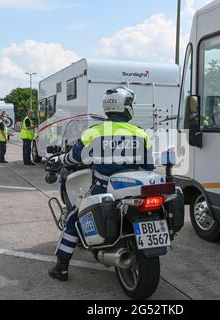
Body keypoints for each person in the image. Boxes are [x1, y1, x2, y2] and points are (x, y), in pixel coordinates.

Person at [48, 87, 155, 282]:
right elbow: (148, 165)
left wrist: (59, 159)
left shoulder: (95, 132)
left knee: (74, 218)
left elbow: (76, 156)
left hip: (103, 188)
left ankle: (61, 267)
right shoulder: (140, 133)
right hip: (132, 188)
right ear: (125, 107)